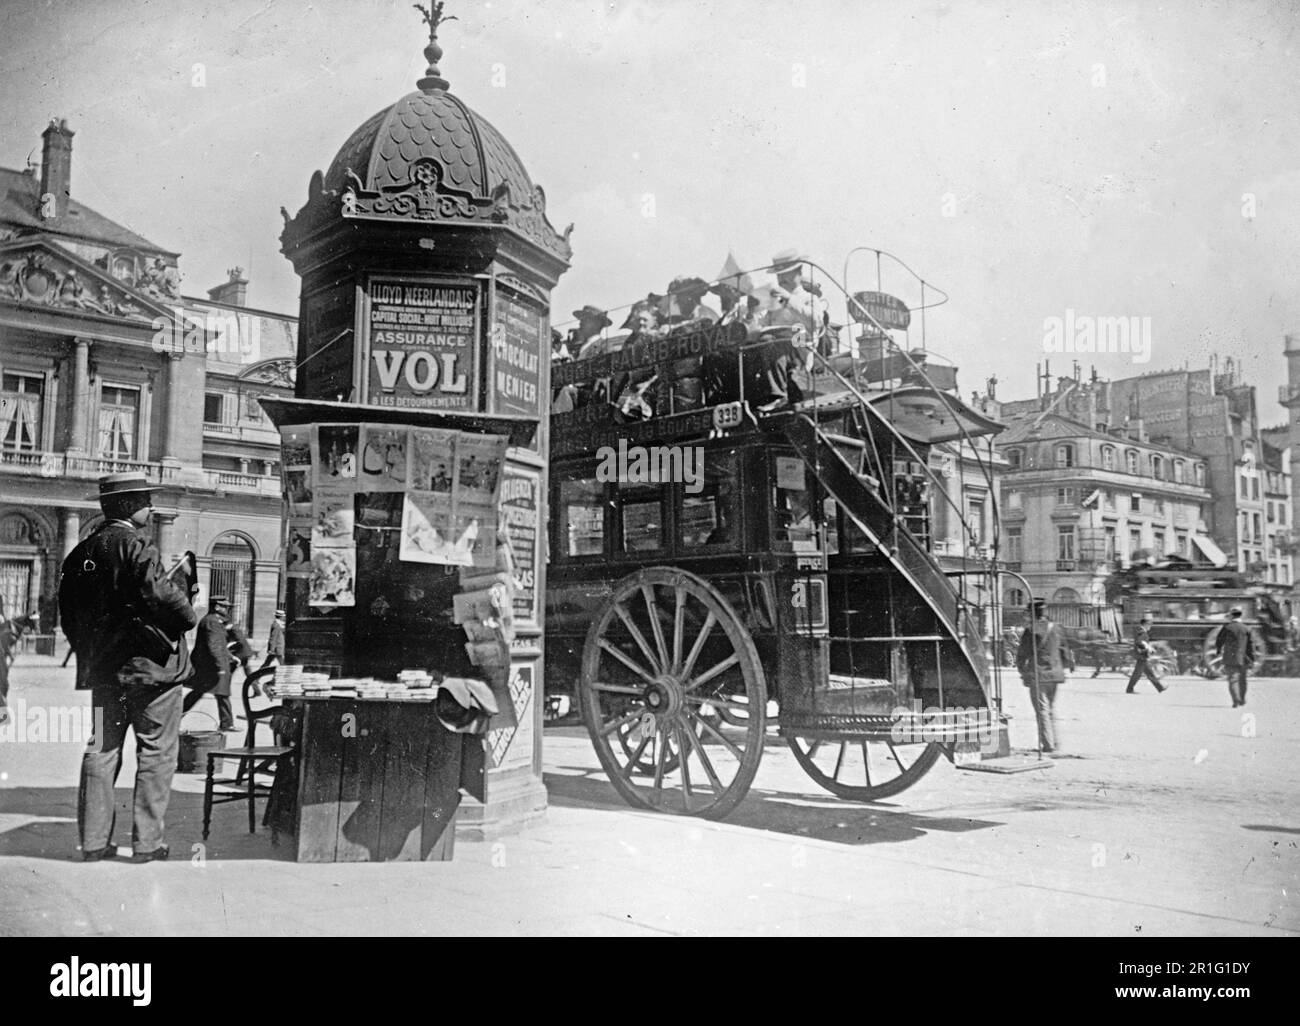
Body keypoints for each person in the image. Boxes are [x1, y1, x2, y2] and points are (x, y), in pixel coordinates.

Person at [59, 472, 198, 862]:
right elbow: (163, 598)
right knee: (156, 753)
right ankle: (147, 843)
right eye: (146, 501)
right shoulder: (137, 546)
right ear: (128, 506)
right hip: (153, 674)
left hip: (106, 675)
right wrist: (188, 613)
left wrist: (92, 651)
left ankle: (93, 841)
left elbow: (69, 615)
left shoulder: (80, 553)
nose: (151, 508)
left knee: (101, 749)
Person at [1015, 598, 1069, 754]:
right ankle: (1052, 741)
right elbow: (1065, 652)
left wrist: (1023, 672)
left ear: (1032, 614)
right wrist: (1060, 667)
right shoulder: (1057, 628)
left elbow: (1021, 655)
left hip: (1038, 675)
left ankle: (1048, 744)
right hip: (1055, 675)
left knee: (1042, 710)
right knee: (1049, 709)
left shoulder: (1030, 630)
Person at [184, 596, 243, 730]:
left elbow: (220, 644)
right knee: (220, 692)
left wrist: (231, 657)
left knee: (203, 692)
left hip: (209, 664)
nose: (227, 609)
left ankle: (227, 723)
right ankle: (227, 723)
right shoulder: (212, 622)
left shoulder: (214, 621)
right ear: (216, 607)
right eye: (224, 606)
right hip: (210, 665)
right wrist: (221, 667)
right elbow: (214, 646)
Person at [1216, 606, 1255, 708]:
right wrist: (1252, 659)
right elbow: (1251, 645)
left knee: (1233, 679)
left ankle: (1235, 700)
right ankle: (1242, 699)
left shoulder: (1227, 627)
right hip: (1244, 658)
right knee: (1243, 680)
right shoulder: (1247, 628)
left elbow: (1219, 641)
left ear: (1232, 616)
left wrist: (1218, 650)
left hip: (1230, 658)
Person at [1126, 612, 1167, 694]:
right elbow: (1139, 642)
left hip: (1142, 656)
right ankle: (1129, 689)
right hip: (1142, 656)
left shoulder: (1141, 631)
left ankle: (1160, 688)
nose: (1150, 626)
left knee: (1148, 673)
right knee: (1137, 674)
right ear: (1145, 624)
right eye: (1149, 624)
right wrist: (1147, 647)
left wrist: (1148, 646)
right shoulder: (1142, 632)